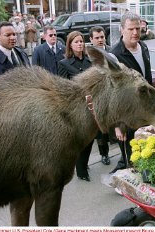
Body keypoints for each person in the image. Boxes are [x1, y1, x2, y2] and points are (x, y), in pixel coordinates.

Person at [110, 12, 152, 173]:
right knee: (131, 159)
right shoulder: (115, 55)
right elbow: (113, 93)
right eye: (130, 29)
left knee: (147, 152)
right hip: (127, 117)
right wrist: (117, 125)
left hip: (145, 112)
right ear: (122, 30)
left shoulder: (144, 47)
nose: (135, 32)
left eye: (138, 28)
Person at [57, 31, 93, 181]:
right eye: (76, 42)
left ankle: (83, 164)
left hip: (91, 107)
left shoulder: (89, 61)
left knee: (90, 139)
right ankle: (81, 171)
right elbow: (62, 89)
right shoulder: (64, 64)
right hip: (75, 109)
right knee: (79, 141)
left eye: (81, 41)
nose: (80, 44)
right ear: (70, 45)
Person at [88, 25, 113, 166]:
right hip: (97, 99)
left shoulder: (111, 52)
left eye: (102, 37)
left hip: (113, 96)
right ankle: (104, 154)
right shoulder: (89, 56)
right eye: (97, 38)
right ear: (91, 39)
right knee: (100, 130)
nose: (100, 40)